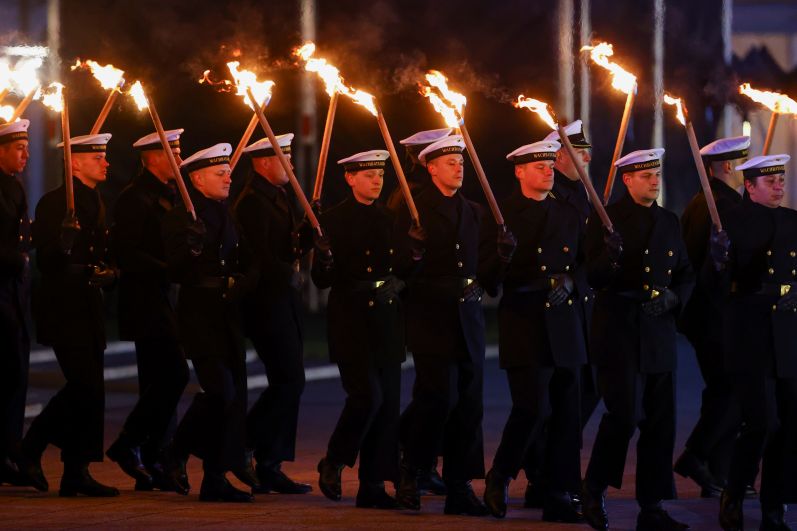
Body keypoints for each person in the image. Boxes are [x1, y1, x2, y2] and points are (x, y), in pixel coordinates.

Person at [395, 135, 516, 516]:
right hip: (432, 316)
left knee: (469, 404)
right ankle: (411, 472)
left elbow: (485, 276)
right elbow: (400, 269)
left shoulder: (474, 211)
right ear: (431, 168)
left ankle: (460, 485)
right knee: (437, 399)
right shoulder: (415, 208)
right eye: (450, 163)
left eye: (461, 162)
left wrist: (502, 257)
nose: (458, 167)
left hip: (468, 318)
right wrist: (412, 250)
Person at [580, 148, 694, 531]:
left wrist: (675, 297)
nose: (655, 180)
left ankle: (652, 506)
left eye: (657, 174)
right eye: (646, 175)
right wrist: (609, 258)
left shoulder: (669, 220)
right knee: (624, 417)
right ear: (628, 179)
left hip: (658, 331)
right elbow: (592, 278)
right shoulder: (605, 220)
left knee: (661, 424)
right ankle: (594, 490)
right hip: (620, 330)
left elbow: (684, 272)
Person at [481, 140, 587, 523]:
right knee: (532, 407)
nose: (548, 171)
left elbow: (584, 264)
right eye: (539, 166)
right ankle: (501, 474)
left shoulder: (569, 212)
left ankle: (558, 491)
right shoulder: (501, 216)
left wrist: (574, 282)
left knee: (567, 413)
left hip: (564, 321)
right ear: (519, 171)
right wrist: (502, 255)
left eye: (549, 165)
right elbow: (489, 281)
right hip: (525, 319)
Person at [21, 133, 119, 497]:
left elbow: (102, 253)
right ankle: (30, 448)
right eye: (97, 158)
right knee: (84, 385)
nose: (106, 163)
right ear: (75, 163)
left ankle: (76, 470)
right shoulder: (54, 203)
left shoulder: (95, 199)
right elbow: (46, 262)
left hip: (88, 303)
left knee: (92, 388)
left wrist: (111, 274)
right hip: (64, 305)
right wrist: (61, 243)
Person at [161, 143, 257, 502]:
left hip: (227, 313)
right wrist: (192, 248)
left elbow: (247, 258)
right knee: (221, 391)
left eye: (228, 172)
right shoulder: (181, 217)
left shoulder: (225, 212)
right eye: (220, 173)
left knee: (233, 398)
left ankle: (215, 476)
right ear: (197, 179)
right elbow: (176, 271)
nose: (228, 178)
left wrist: (244, 281)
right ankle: (176, 449)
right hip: (199, 312)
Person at [314, 150, 406, 509]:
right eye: (368, 175)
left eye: (380, 174)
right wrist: (323, 257)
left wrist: (412, 257)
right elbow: (321, 281)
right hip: (351, 319)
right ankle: (334, 460)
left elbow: (402, 270)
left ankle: (372, 485)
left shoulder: (393, 218)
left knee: (388, 405)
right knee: (367, 396)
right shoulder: (332, 220)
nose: (376, 180)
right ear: (350, 178)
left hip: (385, 318)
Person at [106, 129, 190, 491]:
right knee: (173, 376)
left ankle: (153, 458)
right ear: (152, 157)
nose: (179, 157)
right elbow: (126, 252)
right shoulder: (134, 198)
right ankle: (129, 444)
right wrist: (167, 267)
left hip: (164, 298)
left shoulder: (172, 195)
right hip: (144, 300)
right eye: (173, 150)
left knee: (160, 381)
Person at [718, 154, 797, 531]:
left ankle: (773, 508)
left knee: (790, 425)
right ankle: (734, 491)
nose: (779, 187)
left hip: (789, 337)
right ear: (749, 187)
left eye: (781, 180)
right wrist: (720, 258)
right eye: (771, 182)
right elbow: (719, 282)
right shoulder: (731, 221)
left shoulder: (793, 221)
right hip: (751, 336)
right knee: (762, 423)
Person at [231, 134, 312, 494]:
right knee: (289, 380)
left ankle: (271, 463)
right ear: (264, 162)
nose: (291, 165)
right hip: (265, 303)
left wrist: (313, 231)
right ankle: (247, 443)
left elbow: (290, 245)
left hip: (285, 300)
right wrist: (287, 271)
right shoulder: (251, 203)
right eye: (285, 158)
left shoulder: (278, 196)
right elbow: (260, 255)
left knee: (291, 381)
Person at [675, 136, 750, 498]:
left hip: (707, 316)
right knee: (735, 392)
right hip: (718, 316)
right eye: (742, 162)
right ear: (727, 167)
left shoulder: (702, 202)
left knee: (722, 391)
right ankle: (697, 456)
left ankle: (717, 474)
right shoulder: (721, 206)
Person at [0, 119, 32, 486]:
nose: (25, 154)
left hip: (14, 294)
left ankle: (11, 449)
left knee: (15, 374)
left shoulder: (15, 187)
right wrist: (16, 258)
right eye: (19, 148)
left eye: (26, 147)